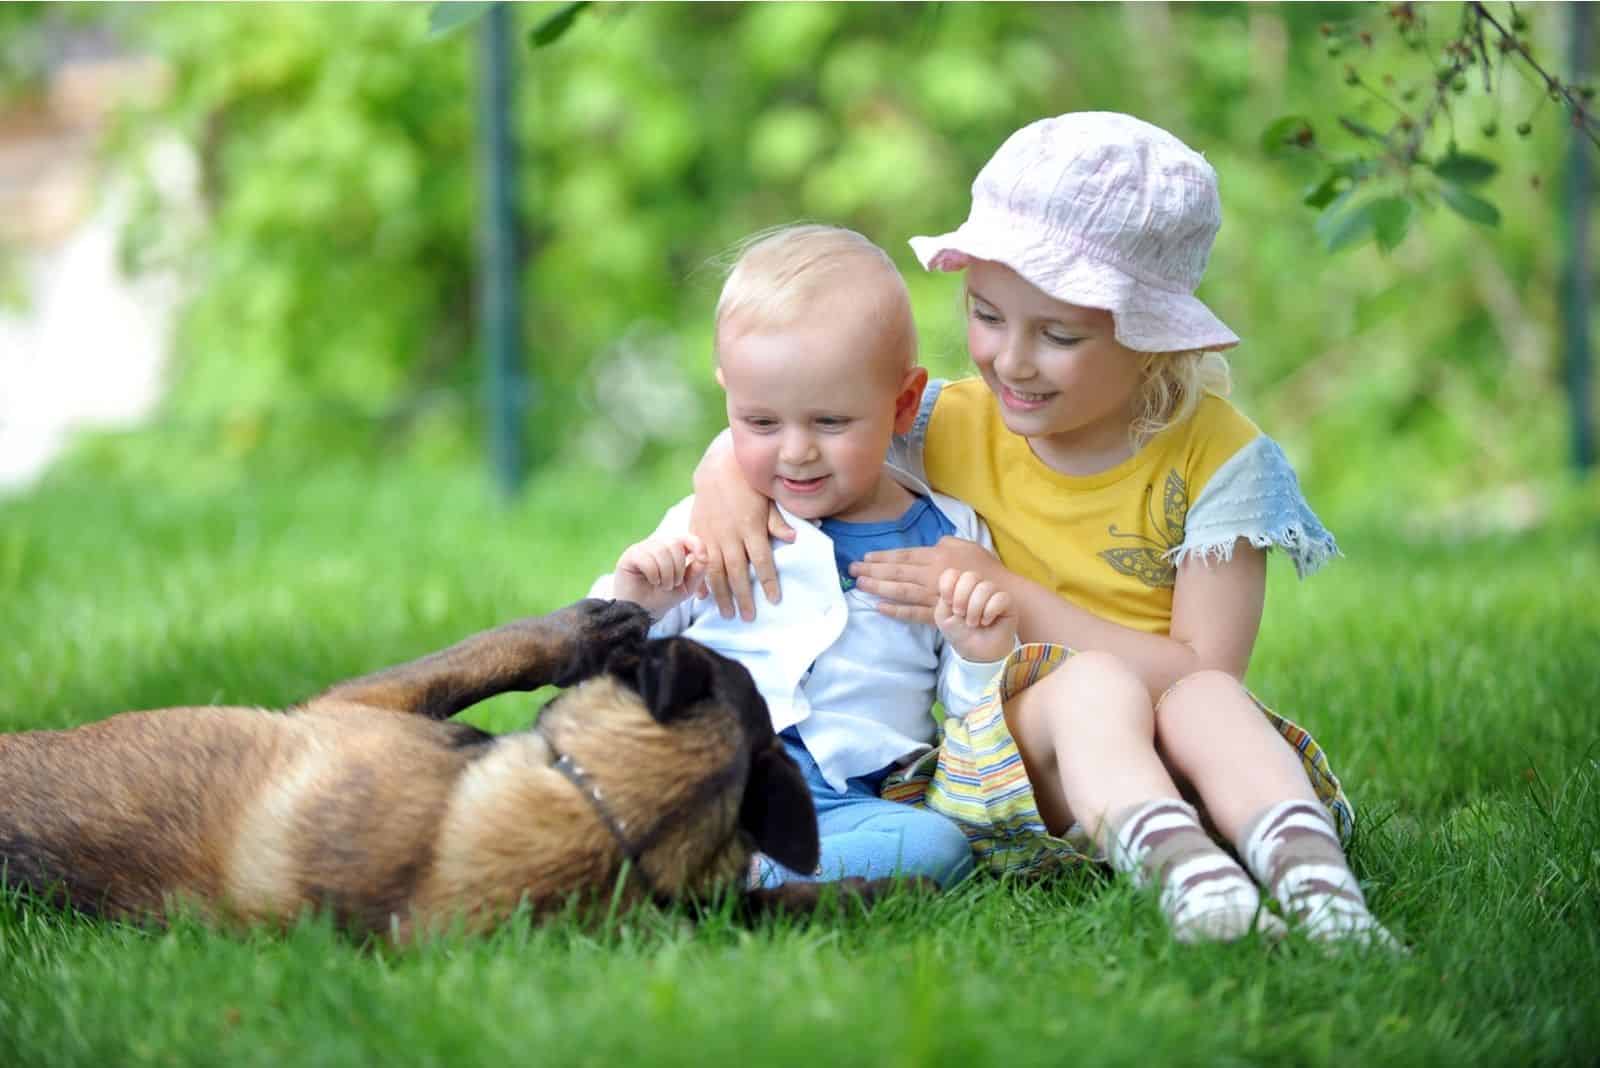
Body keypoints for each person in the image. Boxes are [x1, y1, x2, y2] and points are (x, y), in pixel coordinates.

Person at [688, 113, 1396, 946]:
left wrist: (1014, 595)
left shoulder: (1222, 460)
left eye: (1058, 335)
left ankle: (1324, 895)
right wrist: (720, 482)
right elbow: (804, 434)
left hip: (1180, 749)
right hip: (1019, 761)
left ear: (1152, 337)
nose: (1011, 361)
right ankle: (1196, 888)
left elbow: (1205, 671)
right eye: (987, 316)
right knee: (1093, 692)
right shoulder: (948, 421)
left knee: (1204, 698)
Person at [592, 224, 1017, 890]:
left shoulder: (945, 536)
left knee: (940, 849)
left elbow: (971, 720)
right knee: (598, 784)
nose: (794, 451)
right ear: (728, 395)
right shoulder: (718, 518)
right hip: (696, 771)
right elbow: (598, 664)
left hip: (844, 807)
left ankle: (738, 879)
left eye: (829, 423)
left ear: (903, 403)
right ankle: (692, 862)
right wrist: (634, 600)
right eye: (761, 423)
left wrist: (981, 648)